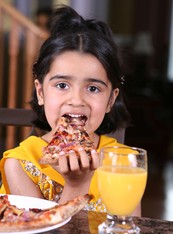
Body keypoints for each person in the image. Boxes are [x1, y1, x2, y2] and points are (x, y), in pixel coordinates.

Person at [0, 5, 140, 215]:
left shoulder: (123, 163)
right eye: (62, 85)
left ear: (111, 99)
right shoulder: (19, 165)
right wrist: (76, 186)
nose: (76, 100)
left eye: (93, 88)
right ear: (40, 92)